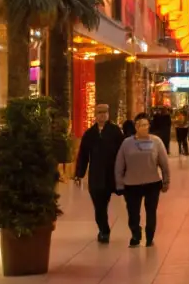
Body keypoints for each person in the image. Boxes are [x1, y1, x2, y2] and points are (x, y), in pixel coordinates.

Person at [115, 113, 171, 247]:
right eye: (141, 125)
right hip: (132, 184)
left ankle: (150, 235)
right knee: (133, 212)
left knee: (151, 211)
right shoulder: (127, 143)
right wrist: (119, 184)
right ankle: (136, 234)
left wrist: (166, 180)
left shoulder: (156, 141)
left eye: (146, 125)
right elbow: (119, 164)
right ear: (136, 127)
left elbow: (164, 163)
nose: (144, 128)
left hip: (152, 182)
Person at [73, 104, 125, 243]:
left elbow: (123, 152)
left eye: (104, 112)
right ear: (95, 115)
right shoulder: (90, 134)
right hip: (96, 175)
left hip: (112, 174)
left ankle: (131, 230)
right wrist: (79, 173)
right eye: (99, 113)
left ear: (108, 114)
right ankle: (103, 230)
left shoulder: (115, 132)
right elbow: (83, 155)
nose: (102, 115)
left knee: (110, 202)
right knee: (99, 205)